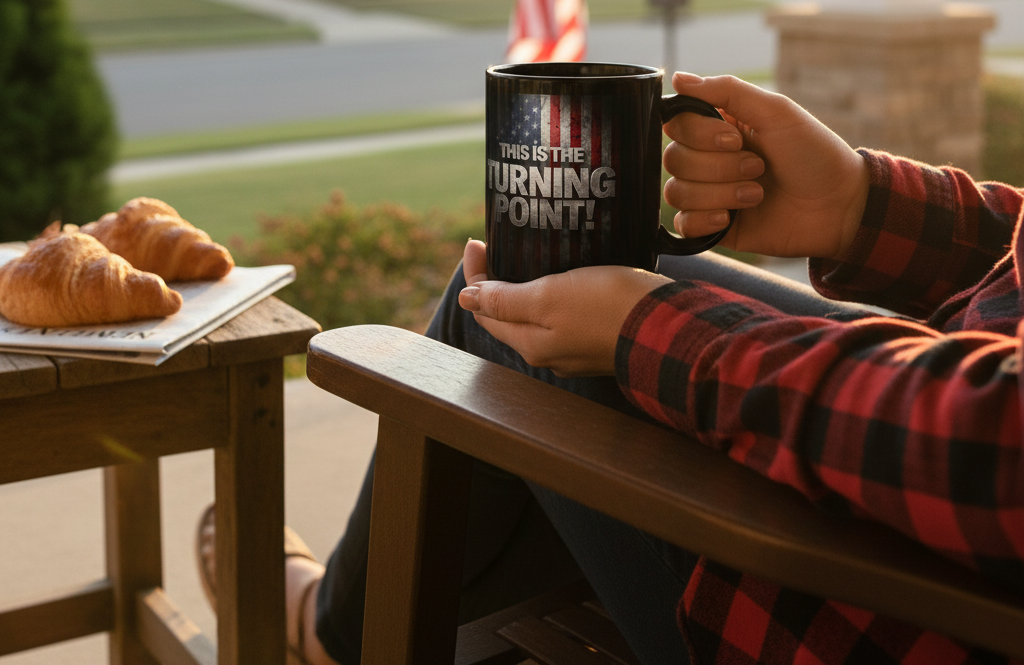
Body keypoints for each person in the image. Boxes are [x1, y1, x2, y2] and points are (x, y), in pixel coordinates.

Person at [198, 73, 1024, 665]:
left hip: (899, 608)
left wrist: (652, 331)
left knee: (503, 306)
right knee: (543, 289)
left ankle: (332, 636)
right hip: (952, 413)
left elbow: (997, 450)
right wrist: (860, 205)